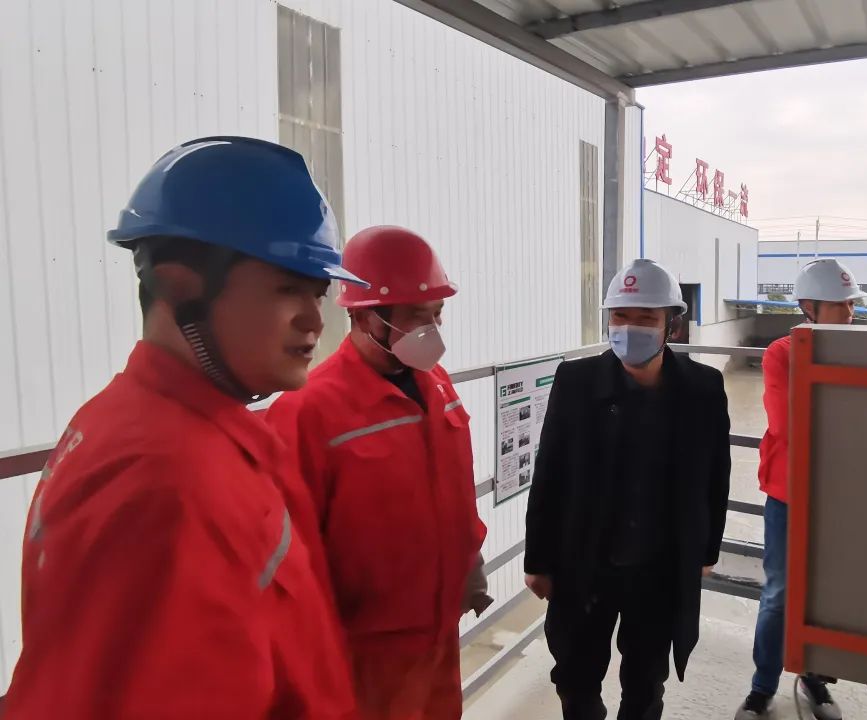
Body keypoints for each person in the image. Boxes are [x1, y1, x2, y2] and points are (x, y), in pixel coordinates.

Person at [3, 137, 366, 718]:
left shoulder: (161, 427)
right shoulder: (169, 483)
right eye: (287, 289)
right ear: (180, 285)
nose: (313, 319)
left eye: (317, 292)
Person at [265, 225, 491, 720]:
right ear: (366, 316)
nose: (432, 329)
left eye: (436, 313)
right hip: (362, 656)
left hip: (438, 635)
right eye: (416, 316)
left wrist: (468, 556)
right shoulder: (308, 411)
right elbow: (289, 557)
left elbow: (451, 484)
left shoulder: (437, 385)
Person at [524, 258, 732, 720]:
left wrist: (705, 552)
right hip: (586, 562)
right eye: (620, 316)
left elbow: (716, 475)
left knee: (646, 682)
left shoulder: (702, 388)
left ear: (671, 325)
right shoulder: (575, 381)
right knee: (576, 678)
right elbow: (550, 472)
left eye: (645, 318)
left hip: (659, 567)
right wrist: (537, 561)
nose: (629, 327)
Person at [734, 258, 867, 720]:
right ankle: (762, 688)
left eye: (851, 305)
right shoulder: (782, 354)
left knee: (825, 593)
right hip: (790, 495)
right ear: (809, 306)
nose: (849, 313)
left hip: (840, 496)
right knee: (779, 592)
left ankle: (815, 679)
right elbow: (788, 423)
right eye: (840, 305)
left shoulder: (860, 354)